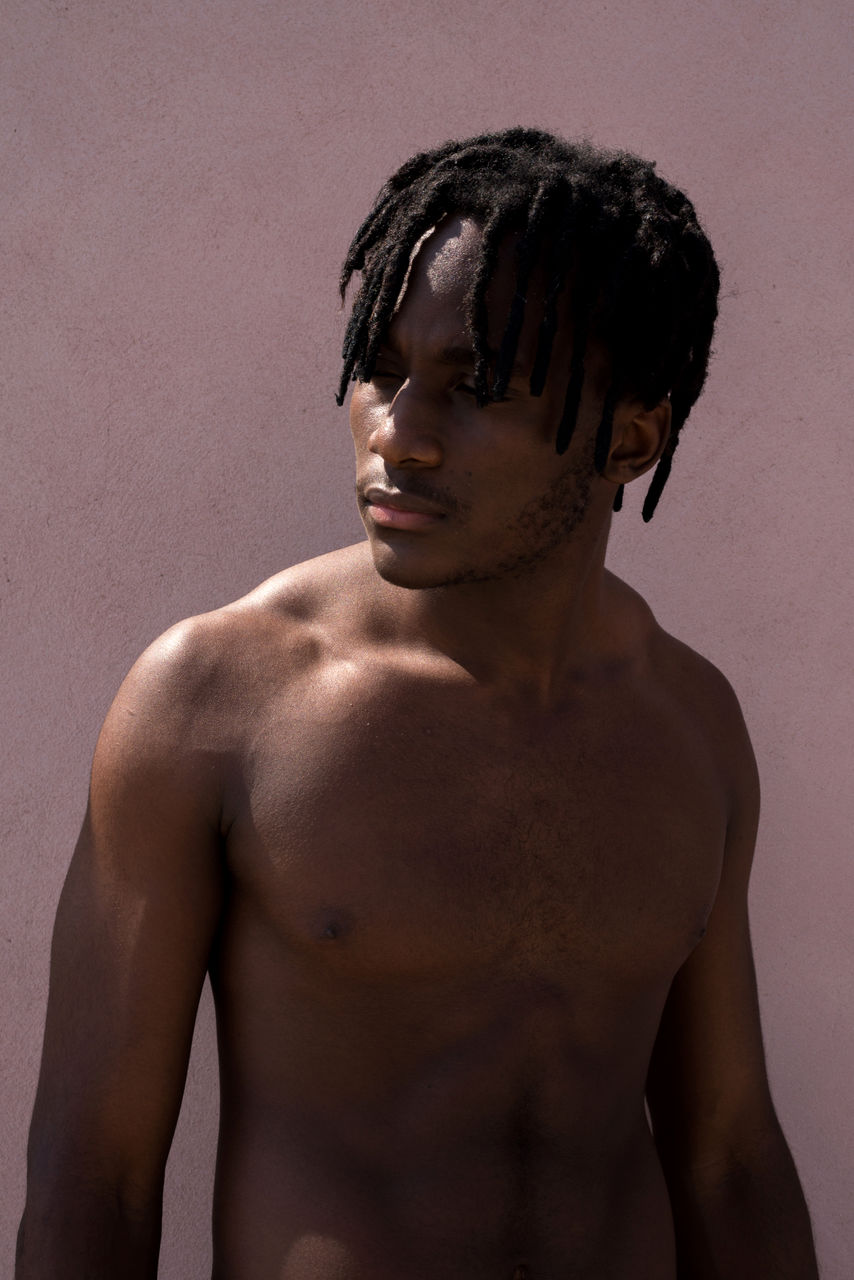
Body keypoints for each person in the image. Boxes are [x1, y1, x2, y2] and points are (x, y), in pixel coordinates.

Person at [17, 128, 819, 1279]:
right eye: (380, 366)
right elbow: (93, 1171)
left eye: (477, 384)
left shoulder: (686, 723)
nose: (398, 432)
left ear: (630, 438)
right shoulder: (217, 700)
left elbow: (727, 1159)